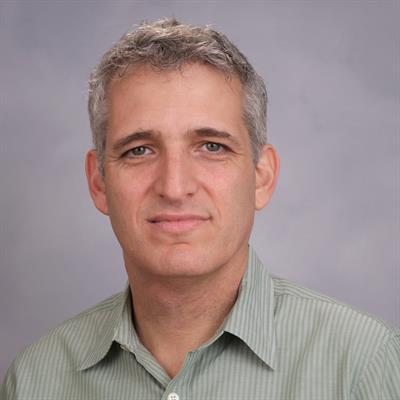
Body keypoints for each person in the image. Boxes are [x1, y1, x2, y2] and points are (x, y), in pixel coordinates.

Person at [1, 18, 399, 400]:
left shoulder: (363, 364)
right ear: (99, 182)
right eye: (139, 150)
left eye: (212, 146)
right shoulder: (37, 379)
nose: (175, 187)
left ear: (262, 176)